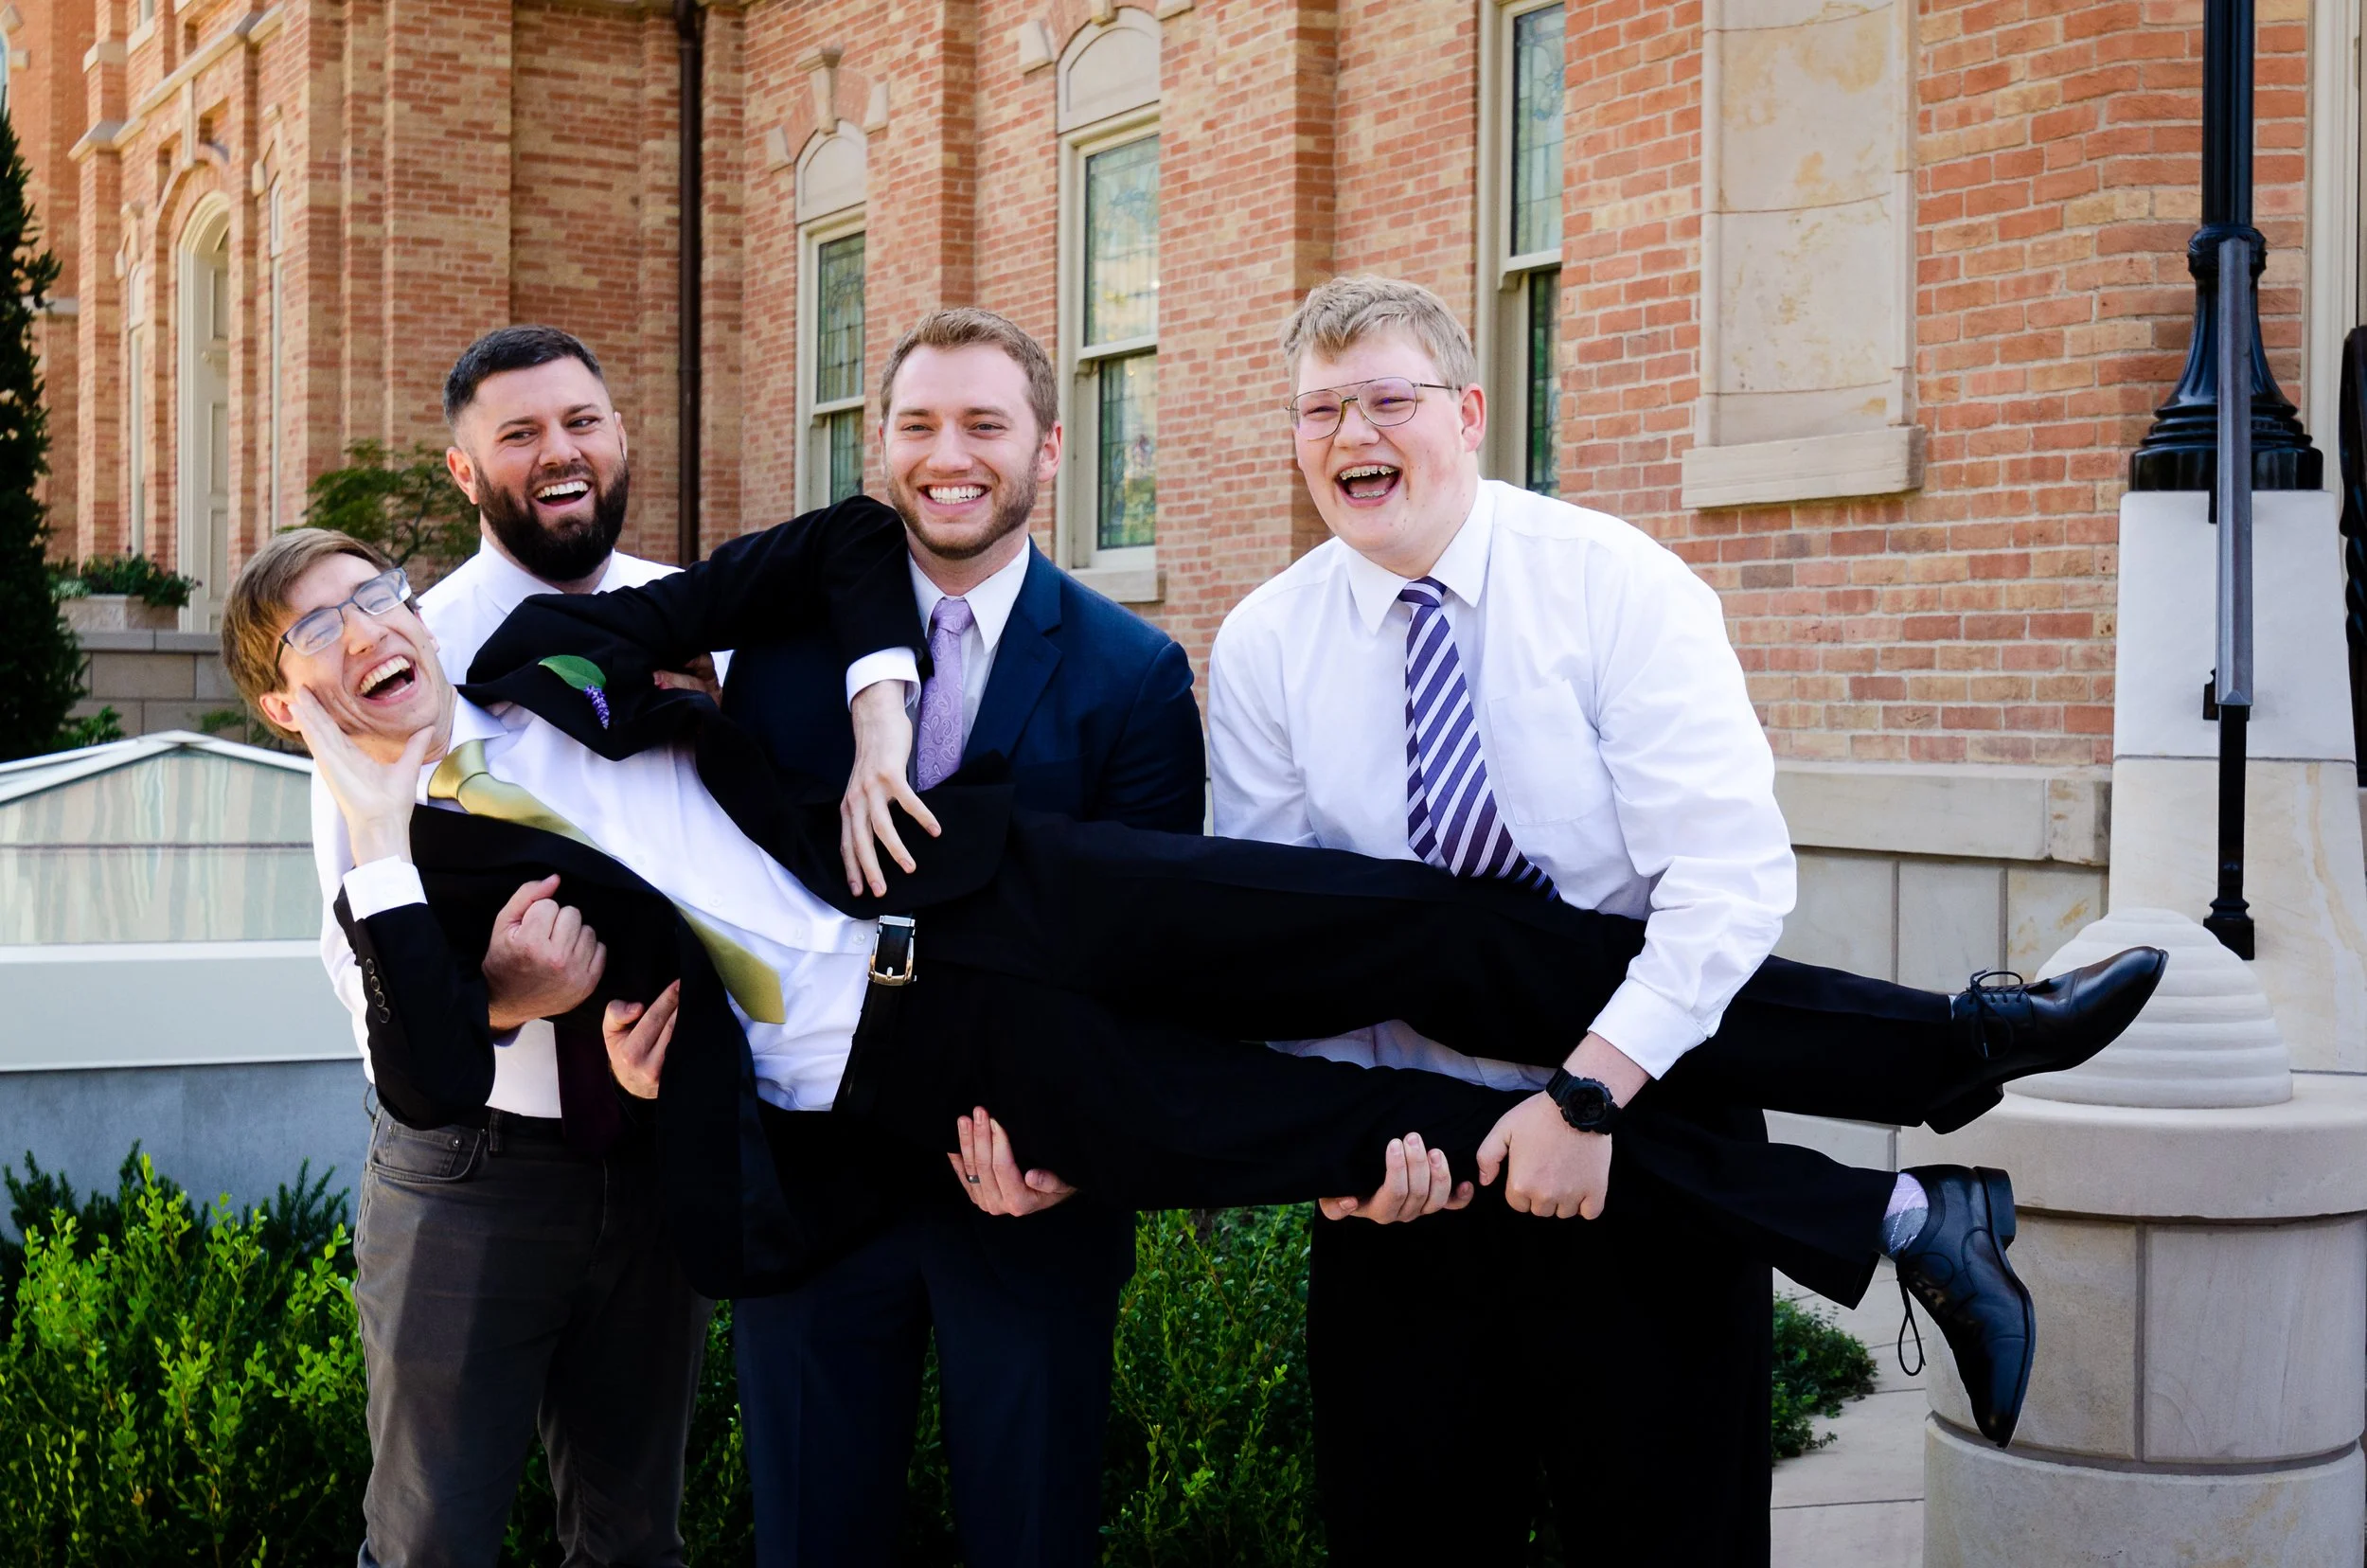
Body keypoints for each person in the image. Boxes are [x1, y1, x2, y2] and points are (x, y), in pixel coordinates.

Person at [233, 497, 2158, 1424]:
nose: (371, 630)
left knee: (1446, 932)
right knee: (1409, 1131)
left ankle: (1951, 1044)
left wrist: (883, 724)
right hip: (933, 1073)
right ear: (284, 698)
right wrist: (384, 831)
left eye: (374, 591)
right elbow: (425, 1073)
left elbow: (838, 547)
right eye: (321, 632)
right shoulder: (407, 872)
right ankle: (1901, 1226)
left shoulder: (542, 657)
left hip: (993, 894)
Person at [1202, 276, 1999, 1562]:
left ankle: (1960, 1069)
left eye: (1389, 400)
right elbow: (1284, 936)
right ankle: (1936, 1137)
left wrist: (1584, 1101)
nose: (1353, 434)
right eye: (1320, 411)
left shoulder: (1614, 583)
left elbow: (1729, 877)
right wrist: (1344, 1147)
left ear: (1469, 413)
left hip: (1643, 1136)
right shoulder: (1264, 645)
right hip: (1415, 1182)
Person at [292, 325, 898, 1568]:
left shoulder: (701, 622)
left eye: (579, 422)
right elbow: (361, 963)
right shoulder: (398, 656)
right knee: (429, 1543)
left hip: (662, 1143)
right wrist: (507, 997)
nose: (558, 453)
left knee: (632, 1538)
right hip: (477, 1166)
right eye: (518, 435)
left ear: (620, 435)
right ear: (465, 471)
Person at [715, 309, 1204, 1568]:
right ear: (879, 443)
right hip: (811, 1184)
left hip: (1023, 1190)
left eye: (985, 424)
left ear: (1048, 448)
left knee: (1030, 1539)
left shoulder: (1135, 675)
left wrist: (1079, 1151)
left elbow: (1153, 962)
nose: (949, 456)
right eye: (918, 425)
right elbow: (723, 885)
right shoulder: (778, 657)